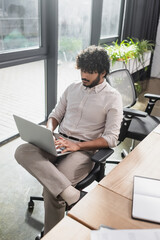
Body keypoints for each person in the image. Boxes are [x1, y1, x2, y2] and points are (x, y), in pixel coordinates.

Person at [15, 45, 123, 235]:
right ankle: (73, 195)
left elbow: (112, 139)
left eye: (90, 72)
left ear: (103, 72)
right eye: (82, 70)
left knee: (52, 192)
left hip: (83, 150)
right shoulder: (72, 88)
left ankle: (52, 235)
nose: (84, 75)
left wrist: (77, 145)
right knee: (22, 151)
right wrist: (48, 130)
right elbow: (55, 114)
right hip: (58, 140)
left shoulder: (113, 98)